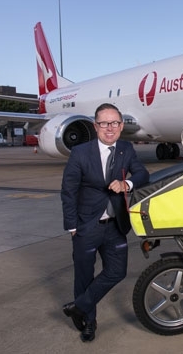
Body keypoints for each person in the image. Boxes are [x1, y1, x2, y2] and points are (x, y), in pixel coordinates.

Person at [61, 103, 149, 342]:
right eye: (103, 123)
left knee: (117, 272)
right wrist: (72, 226)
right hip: (86, 226)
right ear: (95, 126)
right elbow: (68, 191)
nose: (109, 128)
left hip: (115, 225)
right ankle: (89, 323)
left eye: (114, 123)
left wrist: (127, 184)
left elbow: (142, 174)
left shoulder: (126, 149)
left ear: (121, 126)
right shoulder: (80, 152)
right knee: (84, 276)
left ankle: (79, 306)